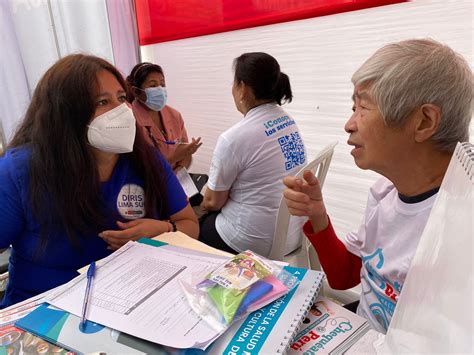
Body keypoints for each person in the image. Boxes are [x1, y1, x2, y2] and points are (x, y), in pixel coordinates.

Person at [283, 39, 472, 333]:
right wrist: (317, 215)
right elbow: (346, 276)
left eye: (362, 106)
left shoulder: (460, 226)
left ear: (423, 122)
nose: (349, 123)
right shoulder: (386, 191)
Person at [0, 54, 199, 308]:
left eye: (121, 98)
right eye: (102, 102)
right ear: (66, 114)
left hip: (127, 302)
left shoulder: (144, 158)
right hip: (44, 310)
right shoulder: (21, 171)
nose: (121, 111)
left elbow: (189, 224)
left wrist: (162, 229)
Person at [200, 52, 307, 256]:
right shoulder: (287, 121)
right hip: (293, 231)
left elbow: (213, 202)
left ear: (242, 88)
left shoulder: (233, 138)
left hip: (254, 241)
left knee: (199, 226)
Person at [126, 62, 202, 170]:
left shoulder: (175, 115)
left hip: (176, 179)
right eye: (153, 85)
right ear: (136, 91)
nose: (160, 90)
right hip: (148, 184)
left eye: (162, 84)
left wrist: (177, 175)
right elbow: (140, 169)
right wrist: (174, 157)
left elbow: (186, 156)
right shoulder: (129, 121)